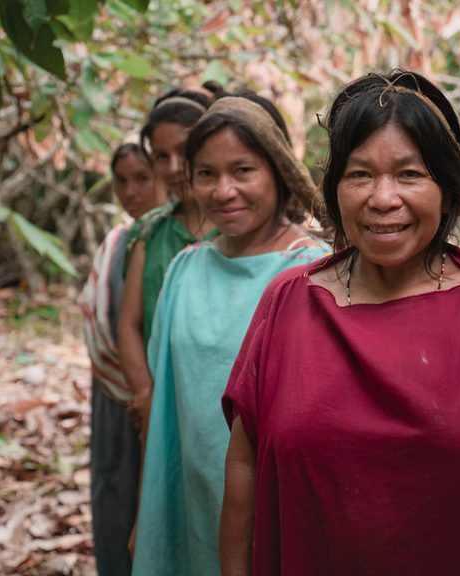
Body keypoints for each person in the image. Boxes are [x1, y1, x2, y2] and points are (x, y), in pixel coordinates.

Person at [220, 71, 460, 576]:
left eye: (409, 174)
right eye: (360, 174)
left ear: (449, 192)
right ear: (335, 190)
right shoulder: (287, 303)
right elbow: (244, 466)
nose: (383, 198)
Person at [131, 92, 331, 576]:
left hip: (278, 508)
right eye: (207, 174)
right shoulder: (183, 270)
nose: (224, 191)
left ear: (277, 171)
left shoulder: (312, 272)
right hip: (191, 500)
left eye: (243, 171)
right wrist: (147, 510)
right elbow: (161, 406)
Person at [79, 142, 167, 576]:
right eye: (122, 181)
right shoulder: (116, 243)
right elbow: (102, 321)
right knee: (117, 492)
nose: (131, 191)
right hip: (117, 395)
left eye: (142, 178)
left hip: (164, 397)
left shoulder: (172, 241)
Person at [117, 88, 218, 438]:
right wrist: (147, 393)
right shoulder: (149, 232)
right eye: (161, 156)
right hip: (161, 406)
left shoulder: (239, 229)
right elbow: (129, 325)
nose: (174, 167)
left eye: (183, 150)